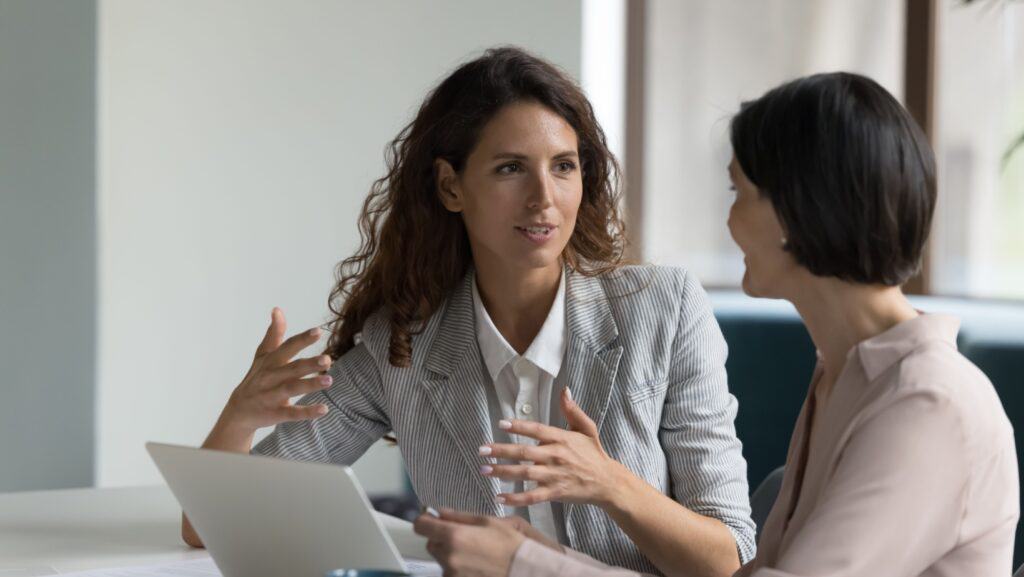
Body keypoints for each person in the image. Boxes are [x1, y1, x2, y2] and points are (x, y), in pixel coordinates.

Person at [414, 72, 1020, 577]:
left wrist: (530, 565)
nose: (728, 221)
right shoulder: (845, 376)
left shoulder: (927, 403)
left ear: (795, 211)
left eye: (739, 192)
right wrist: (547, 557)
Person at [180, 46, 756, 576]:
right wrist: (240, 416)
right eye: (510, 168)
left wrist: (610, 484)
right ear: (451, 187)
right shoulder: (400, 346)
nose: (544, 198)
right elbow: (209, 527)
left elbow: (730, 561)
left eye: (563, 166)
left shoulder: (665, 309)